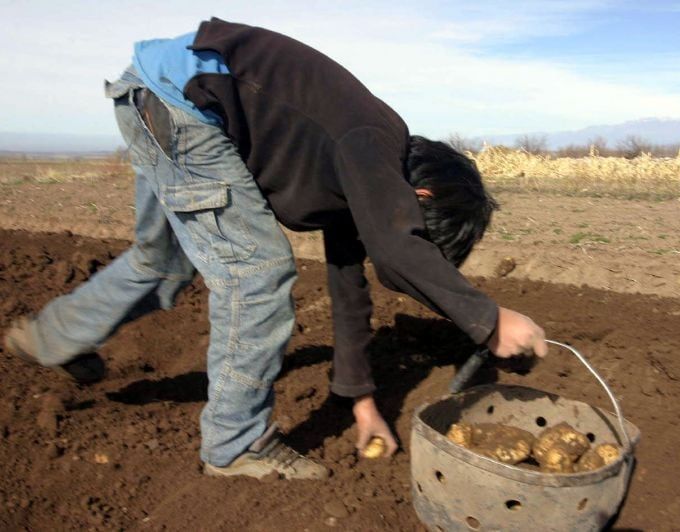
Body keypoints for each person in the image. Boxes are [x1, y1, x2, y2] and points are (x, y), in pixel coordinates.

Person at [4, 18, 548, 480]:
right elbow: (395, 250)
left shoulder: (357, 170)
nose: (407, 229)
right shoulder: (373, 135)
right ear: (421, 195)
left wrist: (361, 402)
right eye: (423, 227)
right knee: (257, 273)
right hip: (184, 104)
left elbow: (348, 281)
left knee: (162, 262)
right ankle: (235, 444)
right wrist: (489, 319)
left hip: (154, 93)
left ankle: (53, 337)